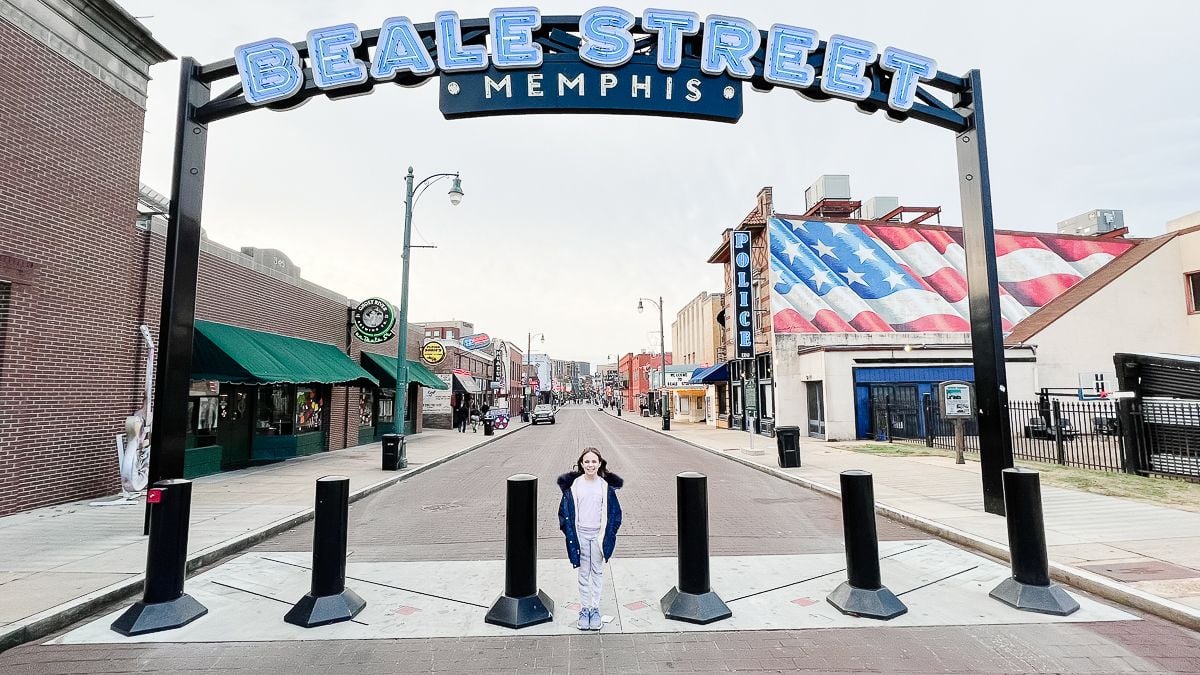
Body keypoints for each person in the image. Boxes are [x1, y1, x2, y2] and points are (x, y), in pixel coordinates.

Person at [557, 448, 623, 632]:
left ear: (600, 463)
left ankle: (595, 609)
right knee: (583, 573)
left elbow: (615, 514)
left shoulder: (605, 486)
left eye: (594, 461)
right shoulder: (574, 486)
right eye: (587, 462)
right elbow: (564, 514)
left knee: (597, 572)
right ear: (581, 464)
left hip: (598, 537)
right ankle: (584, 610)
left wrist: (610, 534)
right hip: (580, 536)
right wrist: (570, 533)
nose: (590, 465)